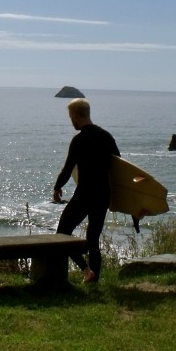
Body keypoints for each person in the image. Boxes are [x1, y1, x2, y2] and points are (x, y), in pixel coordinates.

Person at [52, 98, 120, 284]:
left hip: (85, 194)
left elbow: (68, 169)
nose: (70, 120)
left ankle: (86, 270)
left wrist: (58, 187)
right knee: (93, 239)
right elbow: (119, 165)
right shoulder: (106, 136)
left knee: (62, 233)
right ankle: (94, 280)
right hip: (103, 194)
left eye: (70, 116)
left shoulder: (79, 140)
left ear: (74, 115)